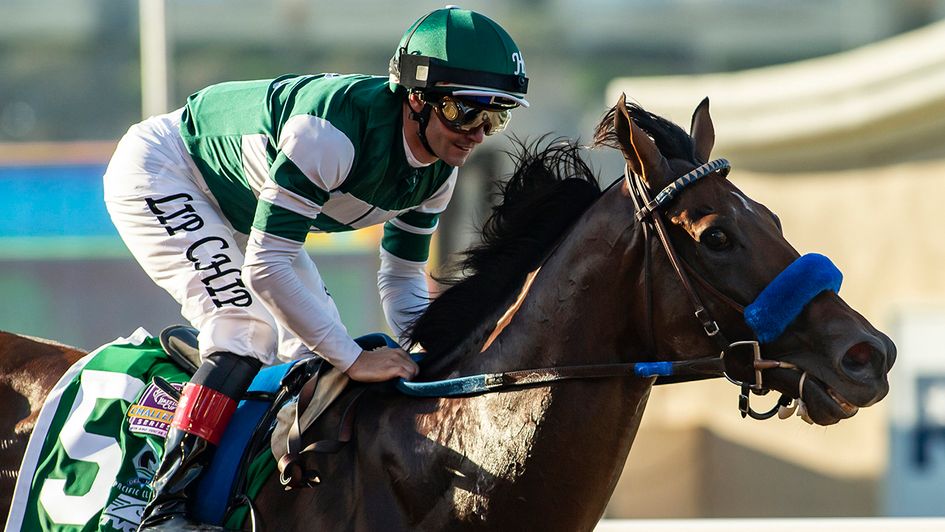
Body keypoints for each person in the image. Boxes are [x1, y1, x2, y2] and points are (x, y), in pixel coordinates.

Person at [102, 6, 528, 530]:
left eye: (497, 116)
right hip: (166, 170)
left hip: (243, 206)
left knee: (309, 354)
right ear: (417, 97)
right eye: (466, 112)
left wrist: (436, 355)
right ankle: (165, 506)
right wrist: (353, 357)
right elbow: (265, 267)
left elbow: (399, 280)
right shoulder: (330, 133)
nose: (478, 134)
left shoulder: (438, 172)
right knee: (244, 327)